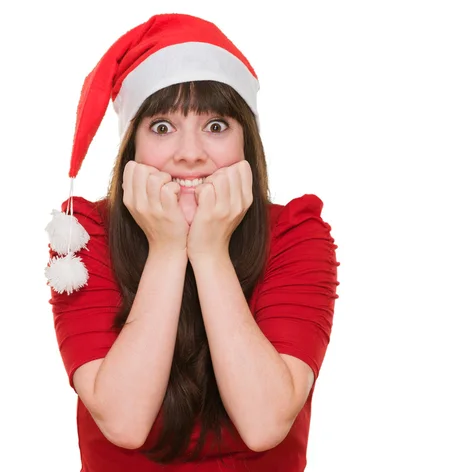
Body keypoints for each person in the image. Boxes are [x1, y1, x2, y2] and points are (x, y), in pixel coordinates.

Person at [44, 13, 339, 472]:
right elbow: (122, 421)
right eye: (162, 127)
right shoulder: (84, 236)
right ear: (132, 148)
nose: (190, 153)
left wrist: (208, 251)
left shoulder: (295, 234)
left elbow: (265, 423)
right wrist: (166, 249)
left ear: (248, 144)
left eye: (216, 125)